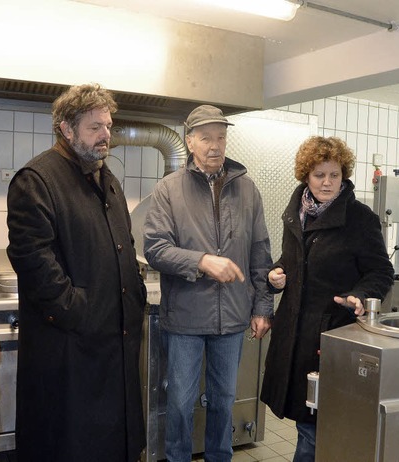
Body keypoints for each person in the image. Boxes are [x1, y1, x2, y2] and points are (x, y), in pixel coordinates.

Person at [6, 83, 147, 462]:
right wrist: (78, 310)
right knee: (70, 445)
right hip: (70, 350)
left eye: (108, 126)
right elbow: (33, 260)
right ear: (66, 129)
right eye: (94, 127)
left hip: (113, 345)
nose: (106, 137)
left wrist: (134, 292)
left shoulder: (107, 180)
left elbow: (125, 247)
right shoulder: (36, 181)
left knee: (114, 444)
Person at [143, 104, 274, 462]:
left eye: (221, 137)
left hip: (232, 317)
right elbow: (155, 249)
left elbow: (260, 251)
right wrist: (200, 261)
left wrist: (263, 306)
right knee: (181, 403)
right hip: (185, 317)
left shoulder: (247, 189)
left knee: (223, 401)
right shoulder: (169, 189)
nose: (215, 145)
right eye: (206, 138)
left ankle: (221, 457)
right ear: (190, 142)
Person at [260, 136, 394, 461]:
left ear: (343, 175)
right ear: (306, 175)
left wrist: (360, 295)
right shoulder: (296, 213)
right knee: (307, 423)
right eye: (320, 175)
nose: (327, 182)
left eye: (334, 174)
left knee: (314, 424)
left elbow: (381, 272)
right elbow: (294, 260)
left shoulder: (359, 219)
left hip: (330, 336)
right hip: (293, 332)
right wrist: (277, 273)